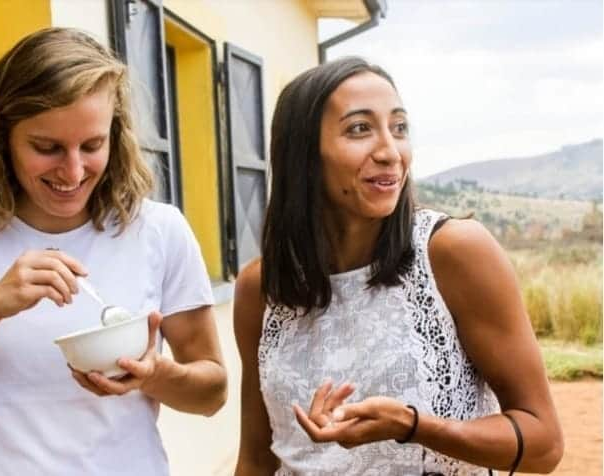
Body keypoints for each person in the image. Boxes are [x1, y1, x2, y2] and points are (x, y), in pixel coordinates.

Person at [0, 27, 227, 475]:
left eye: (92, 145)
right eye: (47, 148)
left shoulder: (160, 230)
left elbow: (213, 393)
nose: (73, 171)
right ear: (0, 129)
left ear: (115, 130)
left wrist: (154, 374)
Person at [233, 57, 563, 475]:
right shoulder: (260, 288)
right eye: (359, 129)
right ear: (304, 153)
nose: (390, 152)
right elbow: (257, 458)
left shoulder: (453, 252)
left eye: (399, 128)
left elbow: (544, 443)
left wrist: (412, 426)